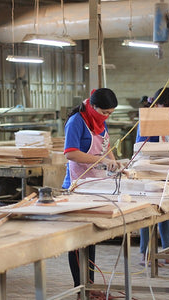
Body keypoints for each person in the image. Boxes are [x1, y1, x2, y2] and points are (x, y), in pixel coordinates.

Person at [62, 88, 121, 288]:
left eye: (110, 113)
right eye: (104, 112)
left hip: (97, 186)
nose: (106, 116)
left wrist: (114, 163)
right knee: (79, 242)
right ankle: (81, 288)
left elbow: (106, 146)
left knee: (91, 239)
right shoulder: (76, 122)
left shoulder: (99, 121)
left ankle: (90, 286)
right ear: (93, 106)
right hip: (78, 186)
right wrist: (101, 160)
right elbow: (70, 153)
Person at [137, 87, 169, 265]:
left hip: (166, 169)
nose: (168, 110)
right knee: (148, 213)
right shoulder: (147, 119)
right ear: (157, 103)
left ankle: (168, 252)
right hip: (149, 170)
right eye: (165, 106)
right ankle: (146, 255)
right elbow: (140, 147)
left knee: (167, 210)